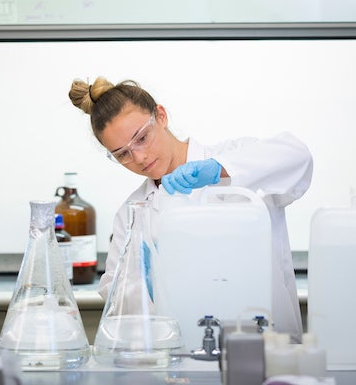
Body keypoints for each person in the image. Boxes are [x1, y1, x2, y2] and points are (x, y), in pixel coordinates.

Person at [68, 76, 313, 343]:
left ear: (160, 116)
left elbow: (297, 157)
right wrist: (149, 284)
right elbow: (115, 297)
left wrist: (218, 170)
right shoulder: (131, 212)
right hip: (183, 355)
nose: (139, 157)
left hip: (269, 345)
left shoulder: (233, 156)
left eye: (142, 138)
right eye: (122, 154)